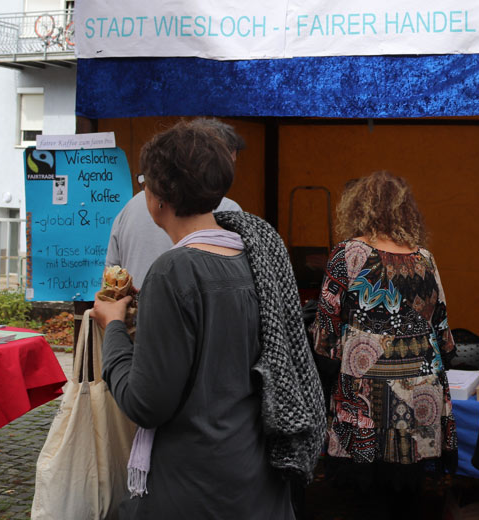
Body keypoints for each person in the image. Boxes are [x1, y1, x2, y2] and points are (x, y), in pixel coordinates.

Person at [92, 121, 324, 519]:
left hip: (195, 488)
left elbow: (145, 404)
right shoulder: (257, 256)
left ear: (157, 197)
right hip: (257, 482)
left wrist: (112, 326)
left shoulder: (172, 272)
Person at [310, 171, 455, 520]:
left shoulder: (348, 254)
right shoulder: (425, 258)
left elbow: (324, 335)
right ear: (406, 211)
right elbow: (443, 333)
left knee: (365, 502)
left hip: (365, 399)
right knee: (410, 500)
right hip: (420, 397)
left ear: (357, 208)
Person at [104, 117, 244, 290]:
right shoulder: (229, 210)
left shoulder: (129, 208)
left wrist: (116, 307)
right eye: (224, 165)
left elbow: (110, 279)